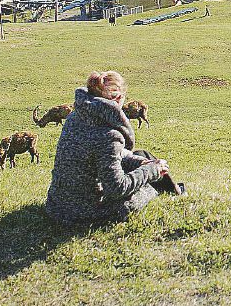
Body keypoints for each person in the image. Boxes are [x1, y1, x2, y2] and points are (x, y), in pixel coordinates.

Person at [45, 71, 170, 224]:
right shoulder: (109, 134)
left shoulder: (74, 117)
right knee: (148, 188)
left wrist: (139, 162)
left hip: (57, 206)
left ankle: (170, 184)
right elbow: (117, 188)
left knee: (143, 158)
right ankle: (175, 190)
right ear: (118, 98)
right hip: (83, 214)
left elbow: (106, 153)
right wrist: (152, 171)